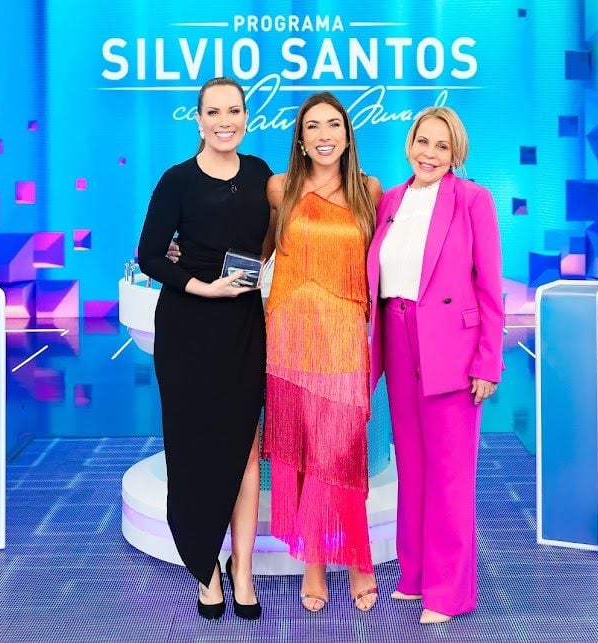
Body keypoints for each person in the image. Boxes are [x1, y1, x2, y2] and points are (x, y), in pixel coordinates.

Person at [137, 77, 270, 621]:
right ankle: (205, 567)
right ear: (198, 120)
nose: (224, 121)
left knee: (245, 451)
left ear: (246, 117)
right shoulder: (177, 180)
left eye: (233, 111)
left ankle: (243, 570)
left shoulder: (260, 173)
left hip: (243, 328)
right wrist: (201, 286)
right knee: (193, 449)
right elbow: (149, 255)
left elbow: (272, 240)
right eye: (213, 112)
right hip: (188, 328)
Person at [366, 106, 503, 624]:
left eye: (441, 146)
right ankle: (417, 574)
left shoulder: (473, 200)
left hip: (452, 347)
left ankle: (449, 593)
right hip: (398, 336)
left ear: (456, 154)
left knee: (450, 473)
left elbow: (490, 285)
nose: (429, 153)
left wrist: (487, 361)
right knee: (412, 466)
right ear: (410, 144)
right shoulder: (391, 200)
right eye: (423, 142)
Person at [261, 92, 383, 613]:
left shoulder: (369, 190)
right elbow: (258, 250)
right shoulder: (279, 188)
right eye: (313, 126)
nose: (324, 134)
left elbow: (385, 261)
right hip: (288, 340)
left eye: (334, 124)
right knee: (307, 454)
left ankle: (358, 558)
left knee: (342, 453)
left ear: (348, 136)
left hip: (343, 339)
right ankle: (313, 561)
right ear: (300, 138)